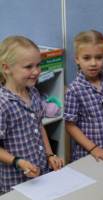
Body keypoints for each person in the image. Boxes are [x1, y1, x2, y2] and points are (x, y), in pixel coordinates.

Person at [0, 36, 65, 195]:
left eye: (38, 65)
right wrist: (18, 162)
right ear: (7, 68)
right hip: (14, 182)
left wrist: (49, 155)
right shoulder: (2, 104)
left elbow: (39, 125)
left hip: (40, 174)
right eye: (29, 67)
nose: (36, 71)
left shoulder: (34, 93)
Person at [64, 30, 103, 163]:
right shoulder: (74, 90)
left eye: (99, 57)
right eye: (87, 58)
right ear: (77, 59)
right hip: (87, 154)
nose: (93, 63)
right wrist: (94, 149)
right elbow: (70, 126)